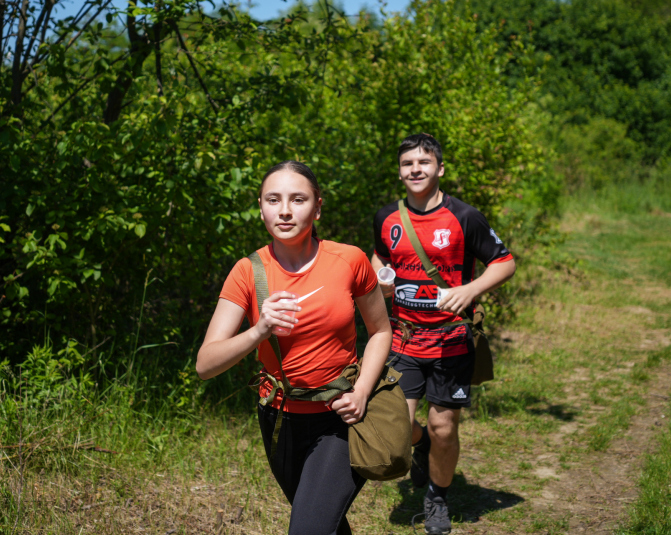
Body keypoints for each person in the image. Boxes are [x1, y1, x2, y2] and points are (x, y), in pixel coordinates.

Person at [197, 161, 393, 535]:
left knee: (308, 529)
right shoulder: (247, 271)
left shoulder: (349, 260)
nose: (284, 210)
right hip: (279, 420)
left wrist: (363, 391)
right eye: (274, 199)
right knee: (323, 523)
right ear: (261, 207)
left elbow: (381, 331)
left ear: (318, 207)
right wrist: (258, 331)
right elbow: (206, 363)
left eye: (298, 199)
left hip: (339, 417)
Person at [370, 134, 516, 534]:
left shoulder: (465, 217)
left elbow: (504, 263)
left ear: (440, 168)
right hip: (403, 338)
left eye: (423, 162)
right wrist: (381, 277)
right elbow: (380, 256)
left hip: (451, 342)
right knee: (397, 427)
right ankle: (421, 448)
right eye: (407, 164)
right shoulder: (388, 216)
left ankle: (436, 497)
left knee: (444, 428)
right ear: (399, 172)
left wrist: (470, 290)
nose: (415, 169)